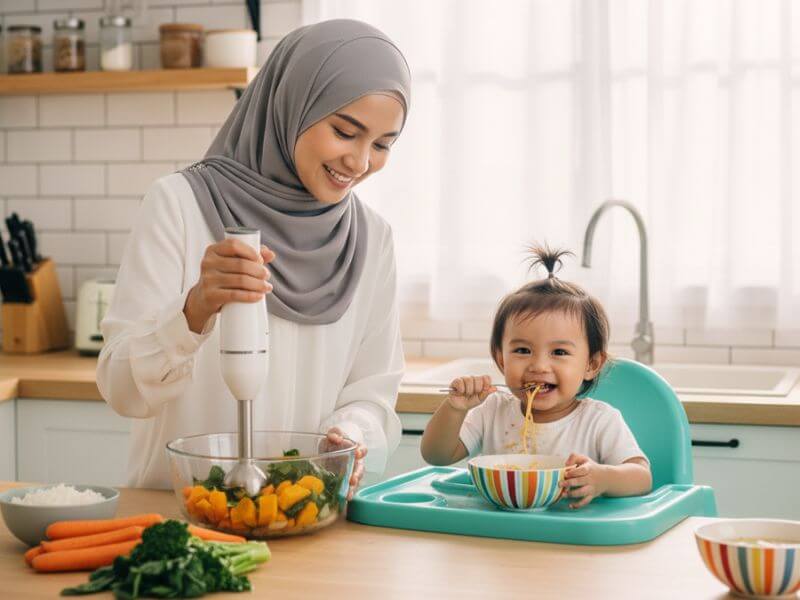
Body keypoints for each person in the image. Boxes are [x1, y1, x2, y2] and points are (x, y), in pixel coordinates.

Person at [98, 19, 411, 494]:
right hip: (181, 519)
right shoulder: (180, 205)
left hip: (305, 518)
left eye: (383, 144)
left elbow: (373, 395)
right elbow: (122, 389)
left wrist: (349, 437)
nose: (361, 162)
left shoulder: (373, 238)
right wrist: (195, 309)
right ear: (292, 104)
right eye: (346, 132)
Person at [420, 246, 652, 508]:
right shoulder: (491, 410)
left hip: (572, 538)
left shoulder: (599, 420)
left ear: (591, 364)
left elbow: (642, 477)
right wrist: (454, 409)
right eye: (522, 350)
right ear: (500, 359)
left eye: (559, 352)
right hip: (497, 535)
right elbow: (436, 456)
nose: (539, 365)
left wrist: (603, 478)